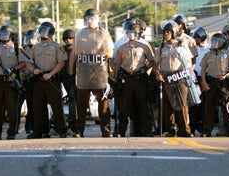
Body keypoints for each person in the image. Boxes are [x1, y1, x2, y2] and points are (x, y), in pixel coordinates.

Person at [72, 8, 115, 138]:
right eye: (88, 18)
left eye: (93, 18)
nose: (90, 21)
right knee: (81, 104)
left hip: (99, 72)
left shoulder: (104, 33)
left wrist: (106, 58)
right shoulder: (79, 33)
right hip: (83, 71)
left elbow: (110, 51)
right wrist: (70, 71)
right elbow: (74, 52)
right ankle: (79, 130)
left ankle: (106, 130)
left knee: (103, 103)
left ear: (97, 19)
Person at [112, 19, 155, 137]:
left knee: (143, 105)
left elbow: (152, 61)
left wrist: (145, 70)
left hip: (140, 78)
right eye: (129, 33)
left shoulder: (144, 46)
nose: (131, 35)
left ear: (137, 34)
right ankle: (121, 130)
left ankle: (147, 129)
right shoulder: (122, 48)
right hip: (127, 78)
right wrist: (115, 78)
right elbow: (116, 64)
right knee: (124, 106)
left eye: (133, 33)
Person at [154, 21, 196, 137]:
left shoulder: (181, 45)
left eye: (168, 32)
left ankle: (185, 129)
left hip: (180, 76)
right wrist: (157, 73)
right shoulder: (161, 48)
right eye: (164, 33)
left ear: (173, 33)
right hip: (166, 77)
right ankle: (171, 129)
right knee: (167, 105)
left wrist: (189, 74)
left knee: (182, 104)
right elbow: (155, 63)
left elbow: (190, 60)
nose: (166, 35)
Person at [28, 22, 67, 139]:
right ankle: (40, 131)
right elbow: (28, 62)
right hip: (39, 79)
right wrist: (33, 70)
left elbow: (62, 62)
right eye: (41, 30)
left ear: (51, 32)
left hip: (52, 79)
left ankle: (61, 130)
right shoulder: (36, 47)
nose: (42, 32)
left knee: (57, 106)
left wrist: (50, 74)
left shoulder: (56, 46)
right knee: (38, 106)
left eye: (45, 30)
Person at [0, 26, 25, 140]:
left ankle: (11, 132)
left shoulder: (16, 47)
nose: (3, 36)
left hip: (11, 82)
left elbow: (23, 63)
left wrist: (13, 69)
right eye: (1, 34)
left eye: (5, 34)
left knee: (12, 108)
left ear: (10, 35)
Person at [200, 32, 229, 137]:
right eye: (212, 42)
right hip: (212, 82)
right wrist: (204, 83)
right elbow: (203, 69)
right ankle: (207, 130)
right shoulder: (208, 54)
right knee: (208, 107)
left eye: (216, 42)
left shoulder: (228, 53)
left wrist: (226, 75)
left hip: (223, 83)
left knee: (226, 107)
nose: (213, 44)